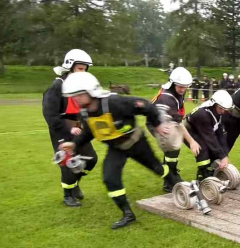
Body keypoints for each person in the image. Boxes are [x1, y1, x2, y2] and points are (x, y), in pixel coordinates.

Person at [59, 72, 180, 229]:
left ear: (90, 90)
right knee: (110, 178)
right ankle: (128, 214)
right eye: (73, 95)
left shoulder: (114, 102)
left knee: (157, 167)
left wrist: (157, 124)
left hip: (137, 142)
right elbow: (89, 132)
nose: (76, 99)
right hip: (116, 149)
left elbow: (146, 105)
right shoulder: (84, 113)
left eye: (79, 94)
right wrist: (74, 145)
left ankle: (175, 184)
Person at [42, 49, 99, 207]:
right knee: (68, 161)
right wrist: (67, 130)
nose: (83, 72)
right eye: (80, 68)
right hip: (61, 129)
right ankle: (68, 195)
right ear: (70, 67)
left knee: (91, 159)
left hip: (78, 127)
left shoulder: (82, 87)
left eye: (85, 69)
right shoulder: (57, 86)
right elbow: (50, 114)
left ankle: (75, 184)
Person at [149, 67, 201, 192]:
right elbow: (178, 124)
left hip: (166, 119)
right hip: (156, 123)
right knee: (173, 146)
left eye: (185, 86)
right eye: (180, 86)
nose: (183, 89)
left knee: (171, 149)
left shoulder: (177, 91)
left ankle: (169, 177)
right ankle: (171, 181)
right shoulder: (168, 98)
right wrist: (192, 141)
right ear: (173, 83)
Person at [184, 90, 234, 181]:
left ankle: (211, 172)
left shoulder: (218, 111)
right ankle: (202, 175)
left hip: (201, 129)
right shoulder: (203, 114)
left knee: (215, 149)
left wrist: (224, 155)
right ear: (213, 104)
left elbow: (220, 135)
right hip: (188, 130)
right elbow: (210, 138)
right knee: (203, 148)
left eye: (224, 109)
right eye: (221, 108)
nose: (223, 111)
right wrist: (222, 156)